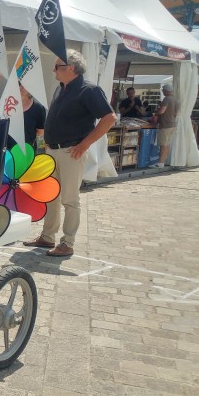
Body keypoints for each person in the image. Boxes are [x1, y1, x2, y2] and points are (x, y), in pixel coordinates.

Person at [24, 50, 116, 257]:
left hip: (71, 151)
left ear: (71, 68)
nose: (54, 70)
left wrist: (85, 144)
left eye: (57, 66)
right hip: (53, 150)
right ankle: (48, 236)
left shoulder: (89, 90)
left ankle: (68, 242)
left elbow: (109, 118)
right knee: (51, 195)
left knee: (70, 198)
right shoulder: (61, 88)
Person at [151, 84, 179, 168]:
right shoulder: (175, 99)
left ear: (166, 91)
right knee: (166, 144)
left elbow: (162, 111)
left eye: (163, 90)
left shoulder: (167, 99)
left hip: (165, 124)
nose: (162, 91)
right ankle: (163, 161)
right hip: (172, 124)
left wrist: (155, 113)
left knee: (163, 144)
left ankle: (160, 163)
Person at [20, 82, 45, 149]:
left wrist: (41, 151)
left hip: (27, 150)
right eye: (19, 83)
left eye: (24, 84)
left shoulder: (39, 108)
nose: (21, 86)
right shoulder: (9, 104)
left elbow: (41, 133)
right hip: (7, 150)